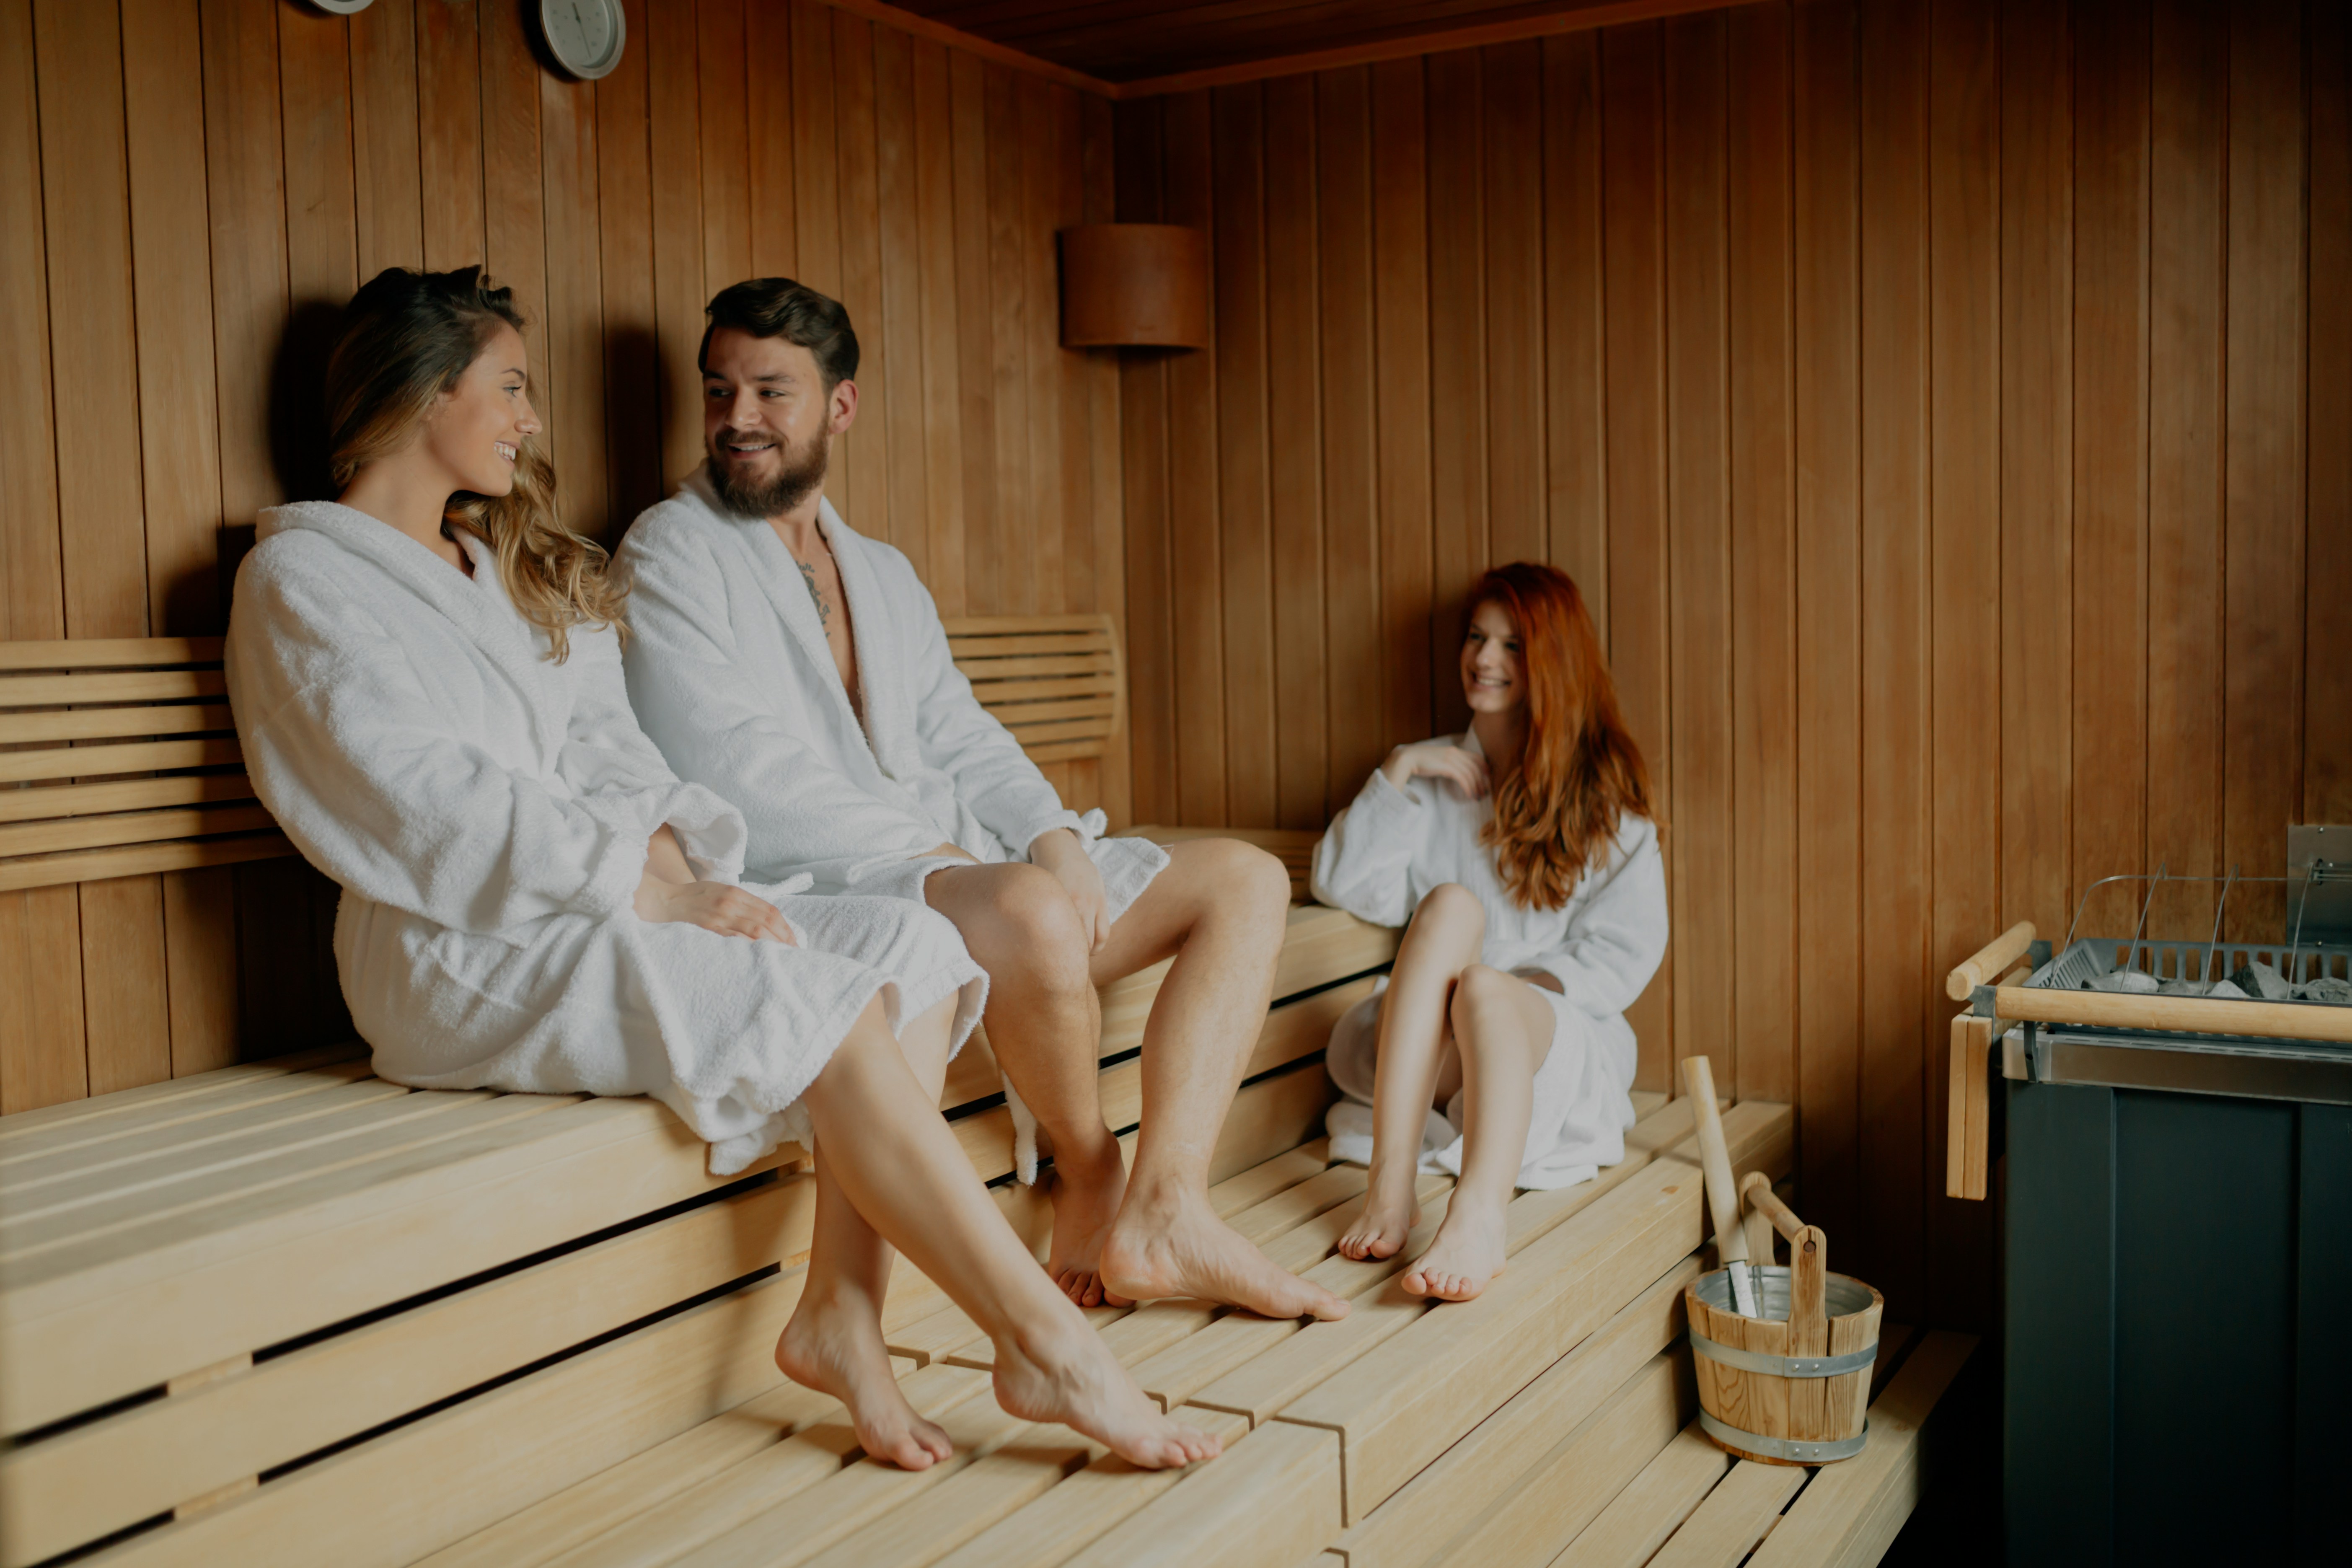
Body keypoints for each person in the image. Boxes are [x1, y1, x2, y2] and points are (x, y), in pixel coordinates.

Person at [225, 265, 1218, 1472]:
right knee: (821, 993)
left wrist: (661, 859)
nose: (529, 420)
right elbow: (420, 805)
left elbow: (616, 749)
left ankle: (839, 1310)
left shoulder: (507, 568)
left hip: (603, 904)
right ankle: (1046, 1343)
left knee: (911, 942)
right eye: (510, 386)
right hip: (455, 948)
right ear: (421, 392)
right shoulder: (303, 582)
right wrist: (648, 886)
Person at [618, 278, 1343, 1322]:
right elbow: (737, 773)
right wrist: (953, 857)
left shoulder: (879, 571)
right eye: (719, 390)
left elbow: (960, 728)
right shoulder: (669, 553)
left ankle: (1167, 1202)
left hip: (953, 873)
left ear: (841, 406)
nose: (738, 419)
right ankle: (1090, 1170)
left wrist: (1049, 832)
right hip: (825, 884)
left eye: (771, 392)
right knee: (1030, 908)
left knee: (1242, 876)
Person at [1310, 563, 1667, 1302]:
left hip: (1542, 1041)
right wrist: (1400, 769)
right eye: (1477, 637)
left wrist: (1512, 987)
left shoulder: (1605, 804)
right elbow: (1341, 885)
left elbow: (1625, 950)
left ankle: (1477, 1217)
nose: (1484, 658)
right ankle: (1391, 1185)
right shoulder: (1434, 772)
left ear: (1551, 663)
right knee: (1447, 909)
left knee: (1485, 987)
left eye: (1511, 644)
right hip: (1431, 1049)